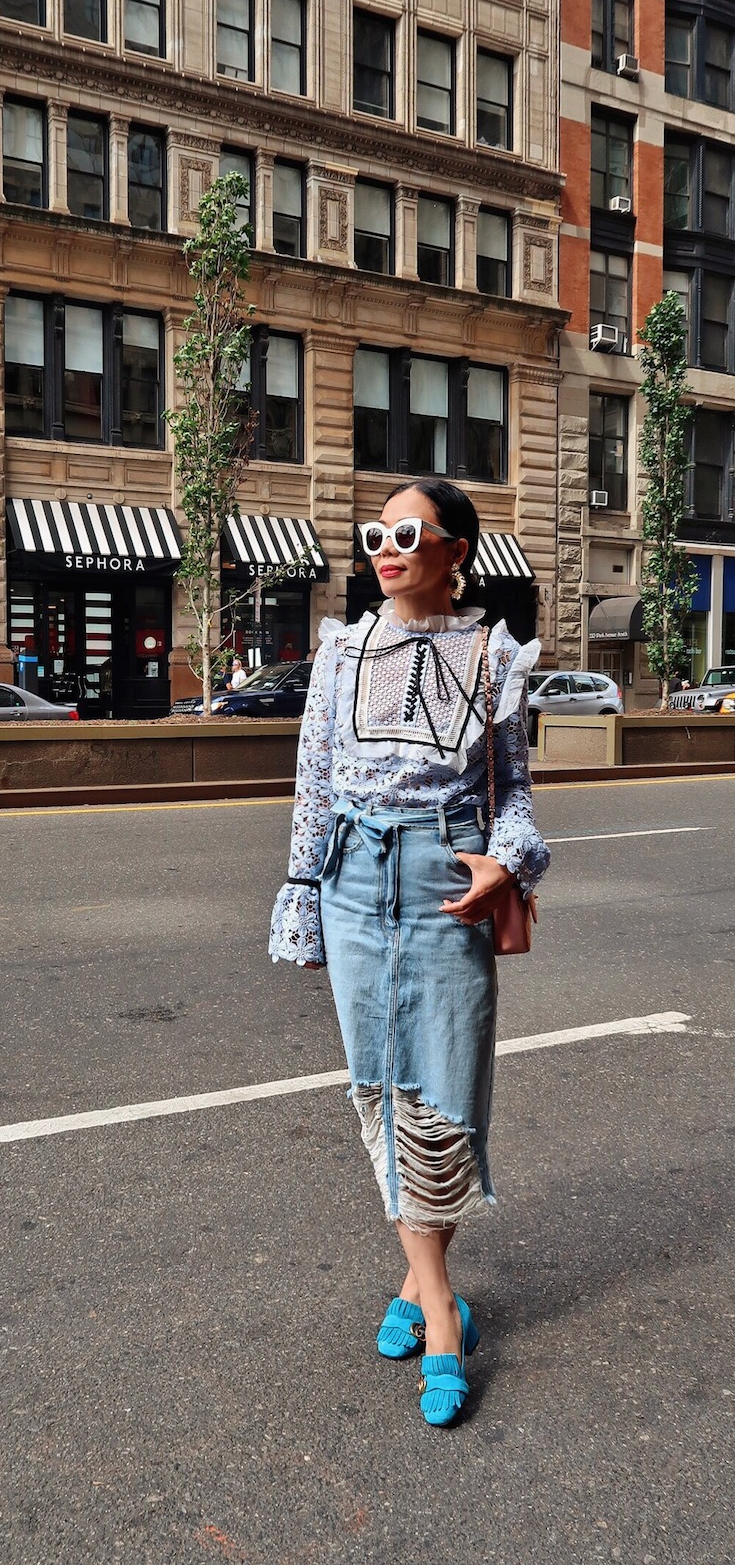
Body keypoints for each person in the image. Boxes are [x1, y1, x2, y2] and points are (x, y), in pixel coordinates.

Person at [269, 479, 550, 1428]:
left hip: (444, 879)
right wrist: (304, 900)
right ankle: (440, 1308)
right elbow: (312, 784)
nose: (385, 549)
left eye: (406, 533)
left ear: (456, 549)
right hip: (352, 877)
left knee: (442, 1088)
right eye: (375, 535)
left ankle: (424, 1294)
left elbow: (513, 794)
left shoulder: (492, 655)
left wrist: (503, 861)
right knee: (381, 1086)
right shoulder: (342, 650)